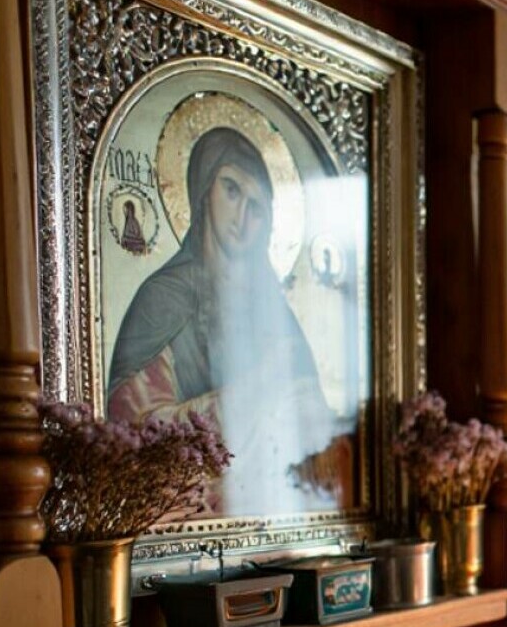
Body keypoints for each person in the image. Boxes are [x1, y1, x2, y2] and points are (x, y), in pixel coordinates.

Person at [107, 126, 346, 514]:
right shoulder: (164, 299)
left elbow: (314, 441)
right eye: (231, 190)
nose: (241, 217)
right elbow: (134, 432)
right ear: (204, 189)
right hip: (186, 514)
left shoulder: (275, 314)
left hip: (269, 513)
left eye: (255, 207)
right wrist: (256, 387)